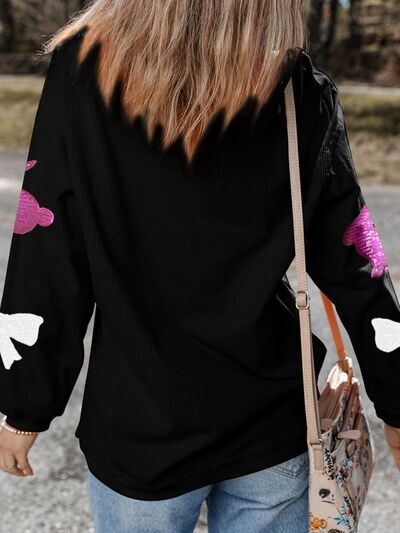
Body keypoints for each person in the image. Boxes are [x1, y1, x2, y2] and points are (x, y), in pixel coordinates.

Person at [0, 1, 399, 532]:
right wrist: (397, 396)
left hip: (141, 427)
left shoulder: (86, 66)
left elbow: (48, 248)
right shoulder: (294, 85)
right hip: (271, 423)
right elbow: (357, 257)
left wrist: (25, 406)